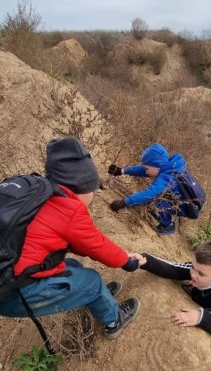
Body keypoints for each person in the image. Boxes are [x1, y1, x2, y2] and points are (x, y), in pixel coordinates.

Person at [0, 137, 140, 339]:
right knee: (92, 281)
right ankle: (113, 320)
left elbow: (74, 243)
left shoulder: (39, 191)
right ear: (80, 187)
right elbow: (98, 246)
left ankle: (98, 297)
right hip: (10, 291)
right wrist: (128, 262)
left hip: (9, 274)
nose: (93, 194)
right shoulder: (69, 208)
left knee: (72, 264)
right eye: (92, 189)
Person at [108, 142, 191, 235]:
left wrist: (124, 202)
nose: (146, 172)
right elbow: (143, 170)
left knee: (154, 202)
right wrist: (122, 171)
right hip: (176, 198)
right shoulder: (166, 166)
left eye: (147, 168)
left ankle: (168, 225)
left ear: (157, 166)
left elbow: (148, 194)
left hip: (184, 205)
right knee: (157, 195)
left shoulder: (165, 178)